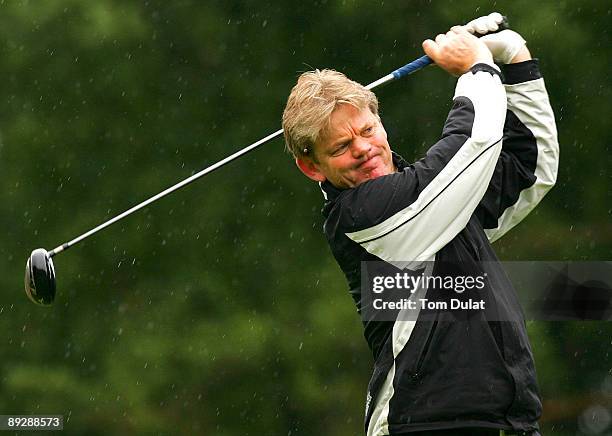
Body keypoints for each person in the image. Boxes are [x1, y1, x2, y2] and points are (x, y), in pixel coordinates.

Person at [282, 13, 558, 436]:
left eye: (367, 129)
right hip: (422, 425)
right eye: (340, 146)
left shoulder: (441, 199)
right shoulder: (358, 215)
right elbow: (474, 144)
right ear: (311, 167)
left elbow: (530, 165)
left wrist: (513, 58)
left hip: (511, 421)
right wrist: (477, 68)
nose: (363, 148)